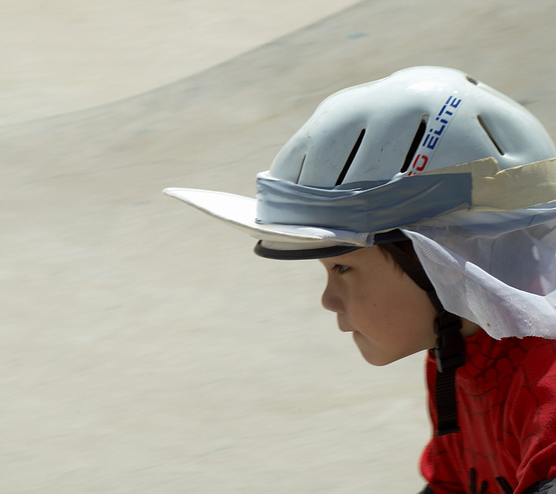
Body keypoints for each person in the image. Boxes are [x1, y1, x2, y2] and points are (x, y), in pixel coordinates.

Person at [163, 66, 556, 493]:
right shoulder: (462, 349)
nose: (328, 301)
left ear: (439, 261)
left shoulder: (546, 391)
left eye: (343, 268)